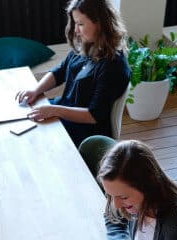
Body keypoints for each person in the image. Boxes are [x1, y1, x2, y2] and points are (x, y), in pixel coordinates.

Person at [15, 0, 131, 146]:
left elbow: (93, 115)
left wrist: (53, 110)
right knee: (22, 119)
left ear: (100, 23)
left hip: (85, 133)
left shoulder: (114, 66)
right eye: (75, 23)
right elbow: (59, 72)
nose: (76, 30)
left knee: (30, 136)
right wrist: (35, 90)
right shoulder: (86, 46)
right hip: (64, 114)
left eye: (81, 24)